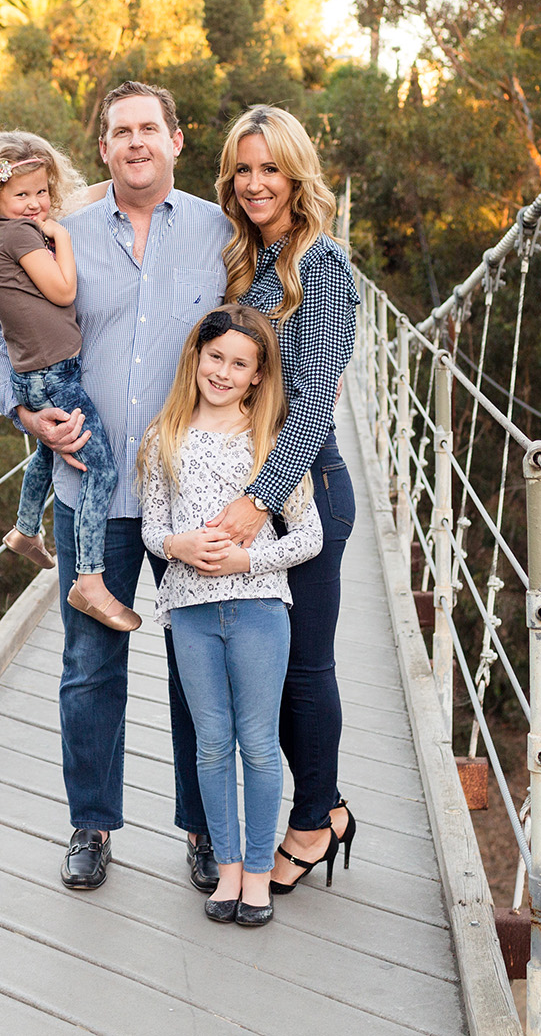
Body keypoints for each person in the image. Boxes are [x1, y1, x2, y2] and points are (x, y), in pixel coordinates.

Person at [0, 80, 232, 891]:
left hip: (186, 495)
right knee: (90, 667)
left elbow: (264, 330)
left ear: (175, 139)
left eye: (149, 129)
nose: (135, 143)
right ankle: (90, 826)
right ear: (102, 148)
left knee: (197, 666)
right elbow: (4, 333)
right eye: (120, 131)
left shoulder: (217, 231)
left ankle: (203, 829)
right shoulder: (56, 231)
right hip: (86, 484)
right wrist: (26, 414)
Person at [176, 104, 361, 894]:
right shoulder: (244, 258)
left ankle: (314, 823)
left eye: (270, 168)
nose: (255, 183)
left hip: (303, 488)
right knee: (266, 669)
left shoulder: (321, 265)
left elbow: (314, 397)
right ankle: (322, 805)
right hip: (247, 483)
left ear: (295, 174)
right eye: (242, 169)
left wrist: (259, 498)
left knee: (302, 671)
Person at [139, 305, 322, 928]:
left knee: (259, 745)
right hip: (189, 610)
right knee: (212, 745)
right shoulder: (163, 435)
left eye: (239, 363)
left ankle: (261, 877)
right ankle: (229, 867)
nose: (222, 371)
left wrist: (249, 559)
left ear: (257, 374)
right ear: (196, 357)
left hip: (260, 609)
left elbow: (309, 536)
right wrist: (177, 548)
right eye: (214, 357)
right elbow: (153, 526)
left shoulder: (273, 445)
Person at [0, 131, 138, 630]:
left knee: (45, 451)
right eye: (22, 195)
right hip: (55, 376)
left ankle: (25, 530)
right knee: (101, 471)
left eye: (42, 193)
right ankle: (91, 581)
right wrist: (64, 238)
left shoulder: (2, 232)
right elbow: (63, 289)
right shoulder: (22, 235)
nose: (36, 205)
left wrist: (112, 185)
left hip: (40, 373)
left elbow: (68, 200)